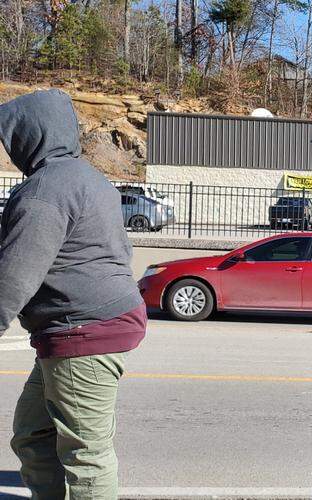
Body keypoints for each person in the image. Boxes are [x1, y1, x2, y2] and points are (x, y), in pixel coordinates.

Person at [2, 90, 147, 499]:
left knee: (86, 454)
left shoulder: (44, 191)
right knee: (33, 435)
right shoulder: (87, 177)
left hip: (83, 331)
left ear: (28, 136)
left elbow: (14, 276)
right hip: (76, 327)